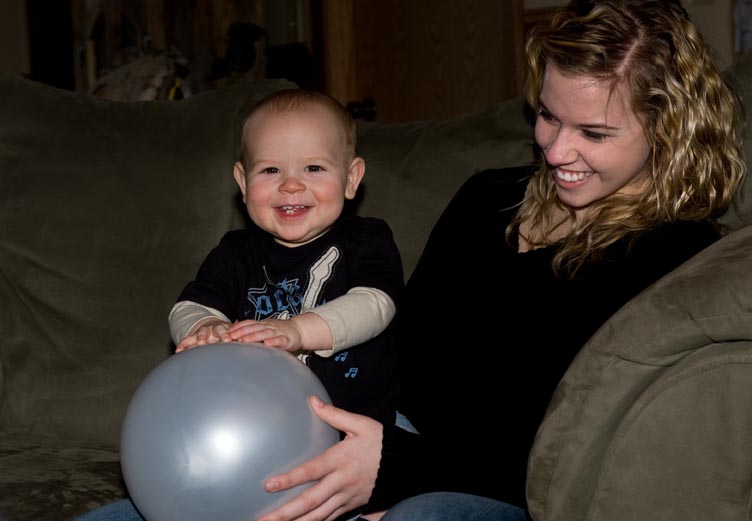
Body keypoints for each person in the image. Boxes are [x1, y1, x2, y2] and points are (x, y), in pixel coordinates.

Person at [75, 1, 745, 520]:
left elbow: (571, 439)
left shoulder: (675, 253)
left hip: (489, 488)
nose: (557, 149)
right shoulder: (489, 196)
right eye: (547, 115)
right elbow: (404, 346)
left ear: (669, 127)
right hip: (382, 436)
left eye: (594, 133)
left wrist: (393, 468)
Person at [167, 88, 404, 429]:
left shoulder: (366, 239)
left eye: (313, 167)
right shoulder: (235, 252)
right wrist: (206, 329)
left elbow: (375, 304)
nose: (291, 185)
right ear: (243, 181)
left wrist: (297, 330)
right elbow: (188, 307)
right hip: (259, 427)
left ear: (350, 178)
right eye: (270, 170)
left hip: (356, 430)